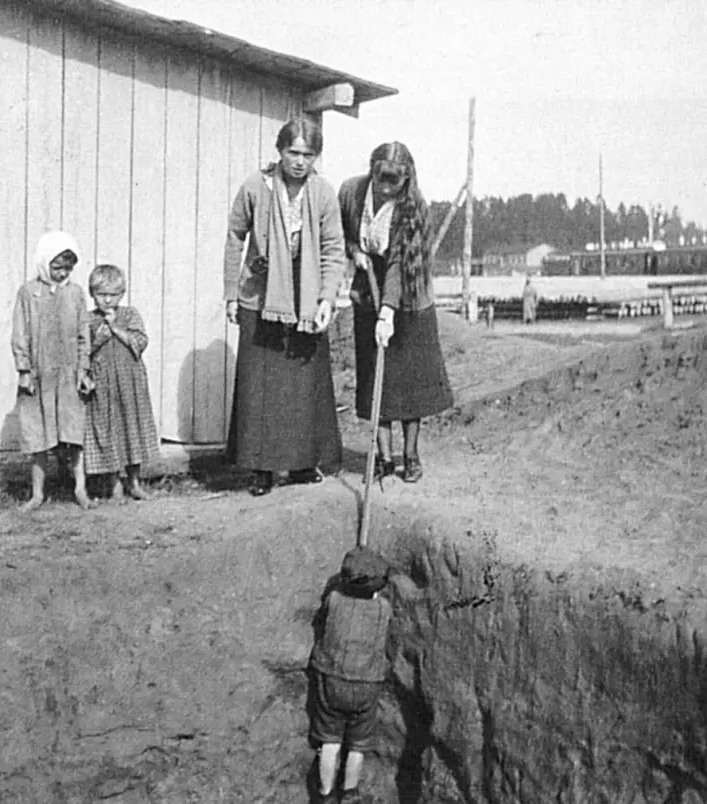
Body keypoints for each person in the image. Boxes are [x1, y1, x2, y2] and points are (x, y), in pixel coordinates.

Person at [224, 117, 345, 496]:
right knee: (261, 384)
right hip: (262, 296)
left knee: (302, 383)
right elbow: (234, 237)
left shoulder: (323, 193)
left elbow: (332, 250)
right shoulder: (255, 187)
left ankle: (301, 463)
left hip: (305, 296)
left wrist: (325, 298)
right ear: (280, 151)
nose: (299, 161)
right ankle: (261, 468)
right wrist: (231, 293)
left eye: (308, 155)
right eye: (293, 152)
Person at [338, 142, 453, 484]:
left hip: (409, 298)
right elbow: (340, 231)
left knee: (409, 384)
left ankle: (411, 455)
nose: (386, 188)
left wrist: (387, 313)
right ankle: (384, 458)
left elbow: (399, 265)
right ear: (371, 170)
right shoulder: (352, 192)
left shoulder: (414, 207)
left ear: (406, 178)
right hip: (367, 290)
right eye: (381, 178)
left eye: (394, 181)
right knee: (377, 380)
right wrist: (354, 250)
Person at [11, 231, 93, 511]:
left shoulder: (75, 293)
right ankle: (37, 493)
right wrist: (24, 369)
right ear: (44, 263)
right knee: (38, 434)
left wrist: (83, 370)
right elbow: (20, 333)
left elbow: (84, 334)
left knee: (73, 432)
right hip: (39, 374)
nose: (62, 273)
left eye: (67, 268)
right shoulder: (28, 293)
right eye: (56, 267)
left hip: (68, 375)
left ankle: (80, 488)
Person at [309, 546, 395, 804]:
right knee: (358, 745)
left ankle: (325, 794)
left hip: (332, 678)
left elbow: (325, 614)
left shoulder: (334, 599)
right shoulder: (384, 608)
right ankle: (350, 793)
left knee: (330, 742)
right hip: (367, 684)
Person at [83, 264, 158, 501]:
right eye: (101, 295)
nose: (107, 300)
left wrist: (115, 328)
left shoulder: (129, 314)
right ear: (92, 294)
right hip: (103, 384)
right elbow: (82, 351)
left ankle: (134, 482)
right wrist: (99, 339)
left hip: (129, 383)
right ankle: (114, 484)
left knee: (131, 429)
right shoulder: (89, 320)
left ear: (122, 294)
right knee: (108, 431)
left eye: (113, 295)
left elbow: (141, 341)